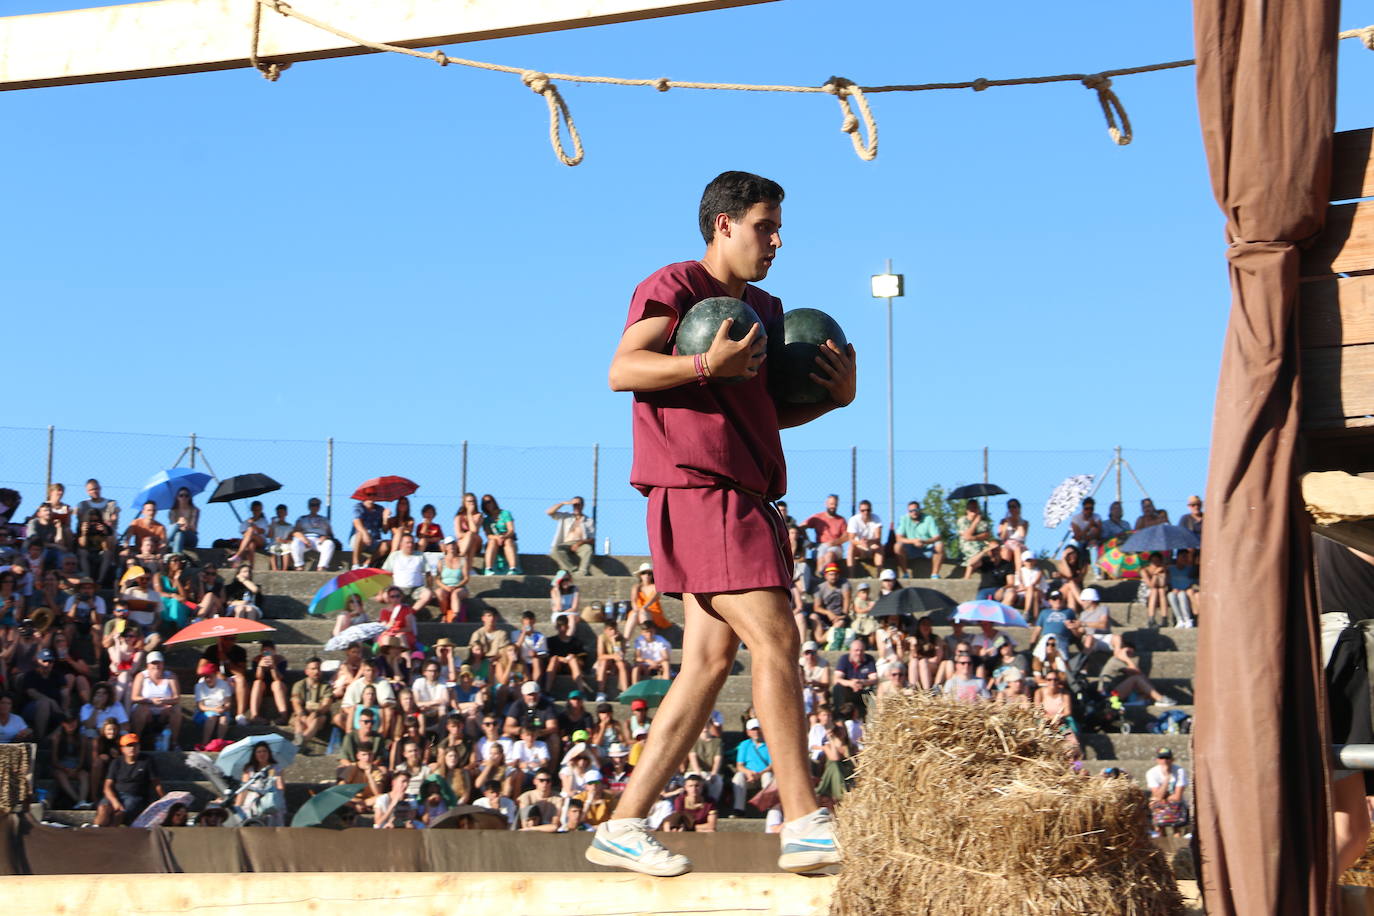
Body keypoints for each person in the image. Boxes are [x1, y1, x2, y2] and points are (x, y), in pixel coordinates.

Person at [591, 170, 851, 878]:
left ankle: (622, 824)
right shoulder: (675, 284)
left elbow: (761, 411)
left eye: (778, 227)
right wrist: (706, 360)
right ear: (723, 225)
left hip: (740, 490)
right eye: (764, 225)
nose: (775, 240)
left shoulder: (764, 308)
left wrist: (834, 401)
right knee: (777, 637)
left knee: (707, 664)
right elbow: (623, 369)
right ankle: (803, 821)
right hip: (701, 487)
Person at [93, 732, 165, 826]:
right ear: (122, 749)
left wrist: (164, 800)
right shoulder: (116, 762)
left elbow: (156, 784)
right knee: (103, 808)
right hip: (116, 794)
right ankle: (94, 831)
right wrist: (115, 802)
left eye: (135, 745)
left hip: (135, 796)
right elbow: (107, 786)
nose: (132, 748)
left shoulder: (147, 761)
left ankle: (109, 836)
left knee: (120, 813)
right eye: (128, 746)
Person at [130, 651, 182, 747]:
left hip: (164, 711)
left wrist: (164, 702)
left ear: (163, 664)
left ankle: (174, 743)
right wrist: (150, 701)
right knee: (141, 709)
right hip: (146, 709)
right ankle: (135, 741)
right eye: (153, 663)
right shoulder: (141, 676)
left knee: (176, 709)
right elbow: (134, 697)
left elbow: (177, 698)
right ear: (148, 665)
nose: (156, 666)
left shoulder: (171, 676)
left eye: (159, 663)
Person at [236, 741, 287, 826]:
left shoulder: (275, 768)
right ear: (255, 754)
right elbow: (243, 789)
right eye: (259, 752)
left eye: (264, 751)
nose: (262, 754)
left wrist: (276, 777)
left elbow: (280, 788)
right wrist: (238, 805)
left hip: (270, 800)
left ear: (269, 753)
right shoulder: (249, 769)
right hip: (252, 801)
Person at [893, 500, 944, 578]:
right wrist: (914, 541)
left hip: (927, 548)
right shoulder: (903, 519)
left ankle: (935, 574)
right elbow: (898, 538)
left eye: (916, 510)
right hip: (911, 549)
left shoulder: (928, 518)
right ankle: (905, 574)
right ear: (908, 512)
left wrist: (925, 541)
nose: (914, 512)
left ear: (920, 510)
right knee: (897, 546)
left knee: (940, 545)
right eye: (911, 511)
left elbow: (937, 536)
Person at [384, 534, 433, 615]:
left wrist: (430, 587)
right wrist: (381, 591)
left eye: (412, 543)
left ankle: (410, 613)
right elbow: (385, 573)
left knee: (428, 594)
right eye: (407, 543)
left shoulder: (420, 555)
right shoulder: (394, 555)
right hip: (398, 588)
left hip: (417, 588)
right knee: (386, 596)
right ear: (401, 544)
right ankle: (395, 614)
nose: (410, 545)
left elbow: (428, 574)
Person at [291, 657, 334, 747]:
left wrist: (315, 713)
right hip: (303, 714)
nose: (316, 672)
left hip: (320, 715)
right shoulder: (299, 685)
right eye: (313, 669)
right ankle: (299, 738)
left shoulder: (326, 686)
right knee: (298, 720)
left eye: (318, 669)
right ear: (306, 671)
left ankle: (301, 741)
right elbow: (296, 703)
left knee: (316, 720)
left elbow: (326, 705)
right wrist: (303, 716)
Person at [1145, 747, 1189, 837]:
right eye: (1162, 758)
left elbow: (1177, 797)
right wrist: (1167, 778)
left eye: (1167, 758)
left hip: (1177, 805)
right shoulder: (1151, 773)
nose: (1164, 761)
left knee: (1175, 810)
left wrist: (1162, 797)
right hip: (1160, 804)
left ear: (1172, 759)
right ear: (1157, 760)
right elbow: (1158, 796)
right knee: (1156, 808)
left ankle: (1177, 841)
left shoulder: (1180, 771)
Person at [548, 497, 595, 577]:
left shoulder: (589, 520)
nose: (576, 506)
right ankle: (573, 571)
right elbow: (549, 512)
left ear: (582, 505)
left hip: (580, 544)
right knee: (555, 549)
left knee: (588, 549)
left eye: (578, 504)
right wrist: (563, 503)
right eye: (574, 504)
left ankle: (583, 572)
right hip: (565, 544)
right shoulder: (565, 516)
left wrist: (579, 543)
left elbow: (592, 539)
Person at [802, 495, 850, 569]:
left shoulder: (841, 520)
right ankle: (821, 574)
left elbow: (846, 536)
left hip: (835, 548)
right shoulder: (818, 517)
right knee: (821, 554)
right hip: (819, 546)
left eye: (835, 504)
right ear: (826, 504)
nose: (833, 506)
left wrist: (835, 542)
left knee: (829, 555)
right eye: (831, 504)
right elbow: (801, 527)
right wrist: (808, 541)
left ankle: (825, 574)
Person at [291, 498, 338, 572]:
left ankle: (322, 567)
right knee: (295, 543)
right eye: (312, 505)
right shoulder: (302, 519)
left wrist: (325, 537)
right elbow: (295, 532)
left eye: (317, 505)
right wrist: (304, 539)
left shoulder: (324, 519)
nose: (315, 507)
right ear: (309, 506)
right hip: (305, 539)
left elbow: (331, 534)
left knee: (330, 544)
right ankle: (299, 566)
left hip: (319, 540)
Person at [193, 660, 232, 747]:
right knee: (211, 716)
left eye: (210, 676)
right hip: (203, 713)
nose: (208, 679)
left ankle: (219, 742)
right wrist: (214, 710)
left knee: (224, 719)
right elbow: (201, 706)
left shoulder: (224, 685)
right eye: (206, 677)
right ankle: (205, 743)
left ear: (215, 675)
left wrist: (223, 708)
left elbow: (228, 703)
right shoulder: (199, 686)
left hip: (221, 711)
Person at [480, 495, 521, 575]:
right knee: (492, 542)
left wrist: (504, 537)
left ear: (494, 502)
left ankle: (513, 568)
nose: (487, 504)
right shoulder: (486, 520)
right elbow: (488, 535)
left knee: (508, 541)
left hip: (507, 538)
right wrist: (497, 537)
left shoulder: (505, 514)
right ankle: (488, 568)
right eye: (485, 503)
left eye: (489, 502)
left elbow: (511, 530)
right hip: (494, 540)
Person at [433, 538, 471, 623]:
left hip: (459, 586)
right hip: (446, 586)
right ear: (446, 547)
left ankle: (456, 616)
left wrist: (457, 586)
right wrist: (445, 587)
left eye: (453, 544)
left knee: (455, 594)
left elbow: (466, 578)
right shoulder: (441, 561)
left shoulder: (462, 560)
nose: (451, 546)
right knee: (439, 592)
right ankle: (443, 614)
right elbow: (437, 578)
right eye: (449, 544)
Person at [452, 493, 484, 580]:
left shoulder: (479, 516)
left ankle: (461, 556)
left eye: (473, 501)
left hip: (476, 541)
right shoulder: (458, 517)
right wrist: (467, 536)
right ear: (464, 503)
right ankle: (468, 569)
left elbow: (474, 530)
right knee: (471, 540)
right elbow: (458, 534)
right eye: (469, 501)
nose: (472, 503)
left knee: (471, 535)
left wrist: (469, 514)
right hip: (463, 542)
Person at [957, 501, 995, 578]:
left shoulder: (983, 522)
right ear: (967, 510)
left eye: (975, 507)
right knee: (977, 554)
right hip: (966, 544)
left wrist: (974, 537)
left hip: (981, 543)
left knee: (993, 549)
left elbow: (986, 535)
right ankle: (967, 577)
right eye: (971, 508)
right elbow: (967, 536)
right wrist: (975, 522)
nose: (973, 510)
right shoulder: (962, 520)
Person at [845, 500, 883, 573]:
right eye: (863, 510)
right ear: (859, 511)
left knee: (879, 547)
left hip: (872, 545)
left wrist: (868, 542)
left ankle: (879, 575)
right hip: (859, 546)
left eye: (868, 510)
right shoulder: (853, 520)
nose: (866, 512)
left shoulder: (876, 518)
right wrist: (860, 543)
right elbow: (851, 539)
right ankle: (851, 576)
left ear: (871, 510)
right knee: (851, 548)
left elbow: (878, 538)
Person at [351, 497, 388, 569]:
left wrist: (385, 518)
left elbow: (385, 531)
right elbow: (356, 522)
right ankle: (355, 564)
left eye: (374, 494)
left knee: (387, 544)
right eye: (369, 494)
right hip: (359, 540)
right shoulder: (359, 507)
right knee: (360, 533)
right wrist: (365, 533)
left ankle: (366, 564)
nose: (371, 496)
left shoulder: (380, 509)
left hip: (374, 541)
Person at [1167, 549, 1198, 627]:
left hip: (1185, 591)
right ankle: (1179, 619)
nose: (1185, 559)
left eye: (1186, 557)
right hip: (1174, 591)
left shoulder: (1190, 569)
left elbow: (1194, 583)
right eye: (1183, 557)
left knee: (1182, 595)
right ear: (1177, 557)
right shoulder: (1171, 568)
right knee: (1170, 595)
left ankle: (1187, 619)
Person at [167, 487, 199, 555]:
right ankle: (177, 557)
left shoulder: (194, 510)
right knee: (179, 534)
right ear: (177, 497)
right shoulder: (172, 511)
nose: (184, 498)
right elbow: (172, 528)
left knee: (178, 530)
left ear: (189, 498)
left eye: (186, 496)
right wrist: (179, 525)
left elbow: (194, 529)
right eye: (181, 495)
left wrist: (187, 525)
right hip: (176, 538)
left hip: (191, 537)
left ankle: (164, 542)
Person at [1141, 552, 1170, 628]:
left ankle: (1164, 619)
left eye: (1157, 561)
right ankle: (1151, 619)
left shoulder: (1162, 569)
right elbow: (1151, 585)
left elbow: (1163, 584)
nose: (1155, 564)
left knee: (1161, 590)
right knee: (1154, 590)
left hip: (1160, 593)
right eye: (1153, 562)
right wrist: (1155, 575)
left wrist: (1163, 574)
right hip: (1146, 593)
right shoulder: (1144, 570)